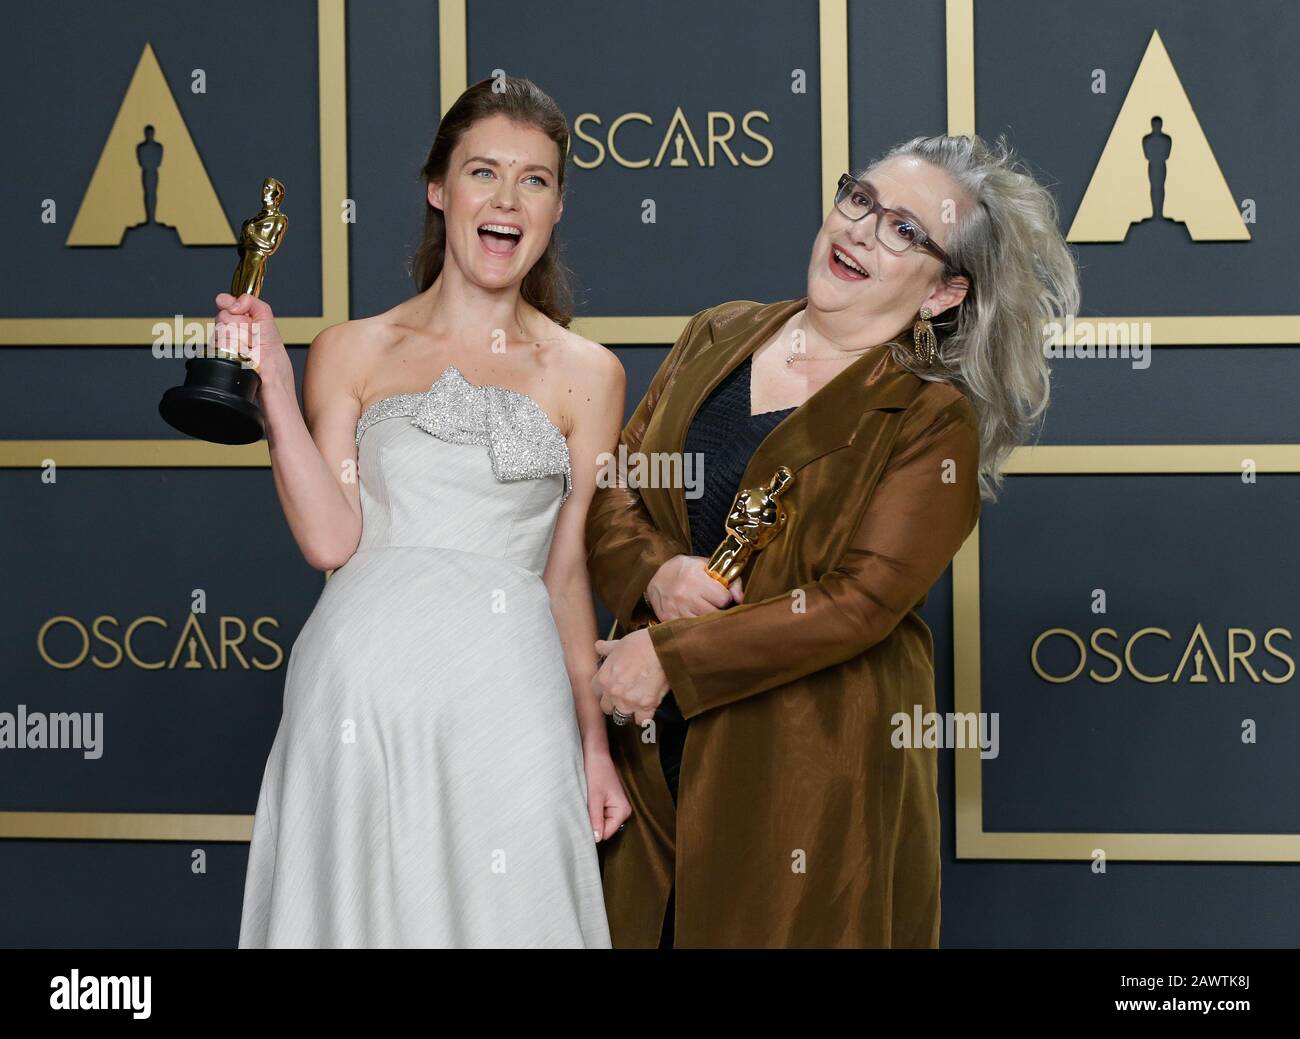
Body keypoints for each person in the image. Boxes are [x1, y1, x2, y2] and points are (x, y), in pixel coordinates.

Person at [586, 133, 1081, 948]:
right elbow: (614, 495)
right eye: (861, 200)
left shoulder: (931, 419)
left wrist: (672, 657)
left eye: (904, 231)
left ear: (943, 293)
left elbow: (859, 603)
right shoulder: (716, 333)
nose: (860, 230)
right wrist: (656, 576)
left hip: (805, 776)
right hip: (642, 755)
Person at [231, 76, 627, 947]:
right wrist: (272, 388)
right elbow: (331, 538)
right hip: (360, 689)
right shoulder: (351, 348)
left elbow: (567, 577)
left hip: (509, 694)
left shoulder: (589, 373)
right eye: (483, 172)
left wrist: (593, 743)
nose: (508, 199)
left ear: (557, 207)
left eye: (536, 180)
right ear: (438, 188)